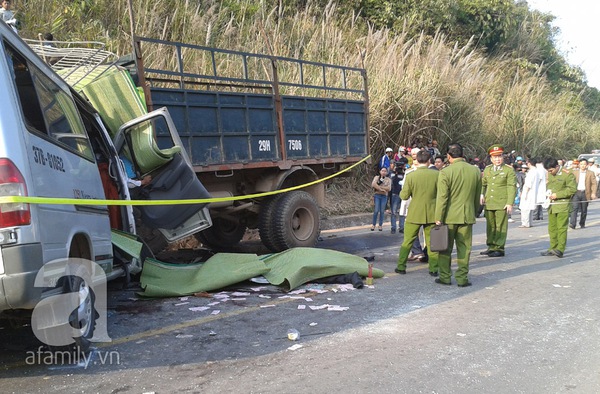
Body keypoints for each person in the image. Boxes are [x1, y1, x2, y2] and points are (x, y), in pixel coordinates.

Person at [435, 143, 482, 287]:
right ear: (463, 154)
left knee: (445, 248)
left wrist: (438, 217)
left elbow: (442, 197)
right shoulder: (475, 171)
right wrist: (474, 211)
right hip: (467, 215)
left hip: (449, 217)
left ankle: (445, 277)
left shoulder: (446, 172)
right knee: (464, 248)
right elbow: (476, 196)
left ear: (448, 156)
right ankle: (462, 278)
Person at [395, 150, 439, 276]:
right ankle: (433, 269)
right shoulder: (437, 175)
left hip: (414, 213)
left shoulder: (411, 176)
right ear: (429, 161)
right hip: (432, 213)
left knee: (407, 241)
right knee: (432, 243)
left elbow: (404, 196)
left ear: (417, 161)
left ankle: (401, 266)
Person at [480, 145, 517, 257]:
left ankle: (499, 248)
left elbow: (511, 187)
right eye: (495, 157)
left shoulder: (508, 170)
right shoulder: (488, 169)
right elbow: (484, 183)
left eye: (499, 156)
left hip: (502, 202)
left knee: (500, 226)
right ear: (491, 158)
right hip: (489, 202)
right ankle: (491, 246)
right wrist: (482, 194)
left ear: (503, 157)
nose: (497, 159)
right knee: (490, 225)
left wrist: (510, 203)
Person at [540, 158, 576, 258]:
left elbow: (572, 189)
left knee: (561, 228)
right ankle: (552, 247)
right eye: (548, 171)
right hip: (551, 205)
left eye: (551, 170)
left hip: (562, 205)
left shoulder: (567, 174)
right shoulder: (550, 174)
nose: (550, 173)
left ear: (557, 167)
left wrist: (558, 195)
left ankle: (560, 249)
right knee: (552, 228)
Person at [569, 158, 597, 229]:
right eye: (581, 164)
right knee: (574, 208)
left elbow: (594, 184)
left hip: (585, 193)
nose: (583, 166)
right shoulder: (574, 172)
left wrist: (593, 193)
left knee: (584, 210)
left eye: (584, 164)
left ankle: (582, 223)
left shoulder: (590, 173)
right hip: (576, 193)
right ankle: (573, 223)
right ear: (579, 165)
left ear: (587, 165)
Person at [518, 158, 539, 228]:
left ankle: (525, 223)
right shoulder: (536, 171)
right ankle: (530, 222)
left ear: (529, 163)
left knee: (525, 208)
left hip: (528, 192)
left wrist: (525, 193)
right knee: (530, 208)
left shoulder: (531, 172)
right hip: (533, 192)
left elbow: (528, 184)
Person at [371, 167, 391, 231]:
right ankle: (373, 224)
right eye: (382, 171)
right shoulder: (377, 177)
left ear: (387, 172)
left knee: (382, 211)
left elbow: (389, 188)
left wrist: (379, 187)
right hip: (377, 195)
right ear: (380, 171)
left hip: (384, 196)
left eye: (385, 171)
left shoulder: (388, 180)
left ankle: (380, 225)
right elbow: (373, 184)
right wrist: (381, 189)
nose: (383, 172)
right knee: (376, 210)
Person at [389, 164, 404, 234]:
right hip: (395, 194)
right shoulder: (392, 174)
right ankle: (393, 227)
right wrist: (395, 173)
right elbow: (392, 182)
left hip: (403, 194)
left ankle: (401, 227)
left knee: (402, 211)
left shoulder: (404, 174)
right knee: (394, 212)